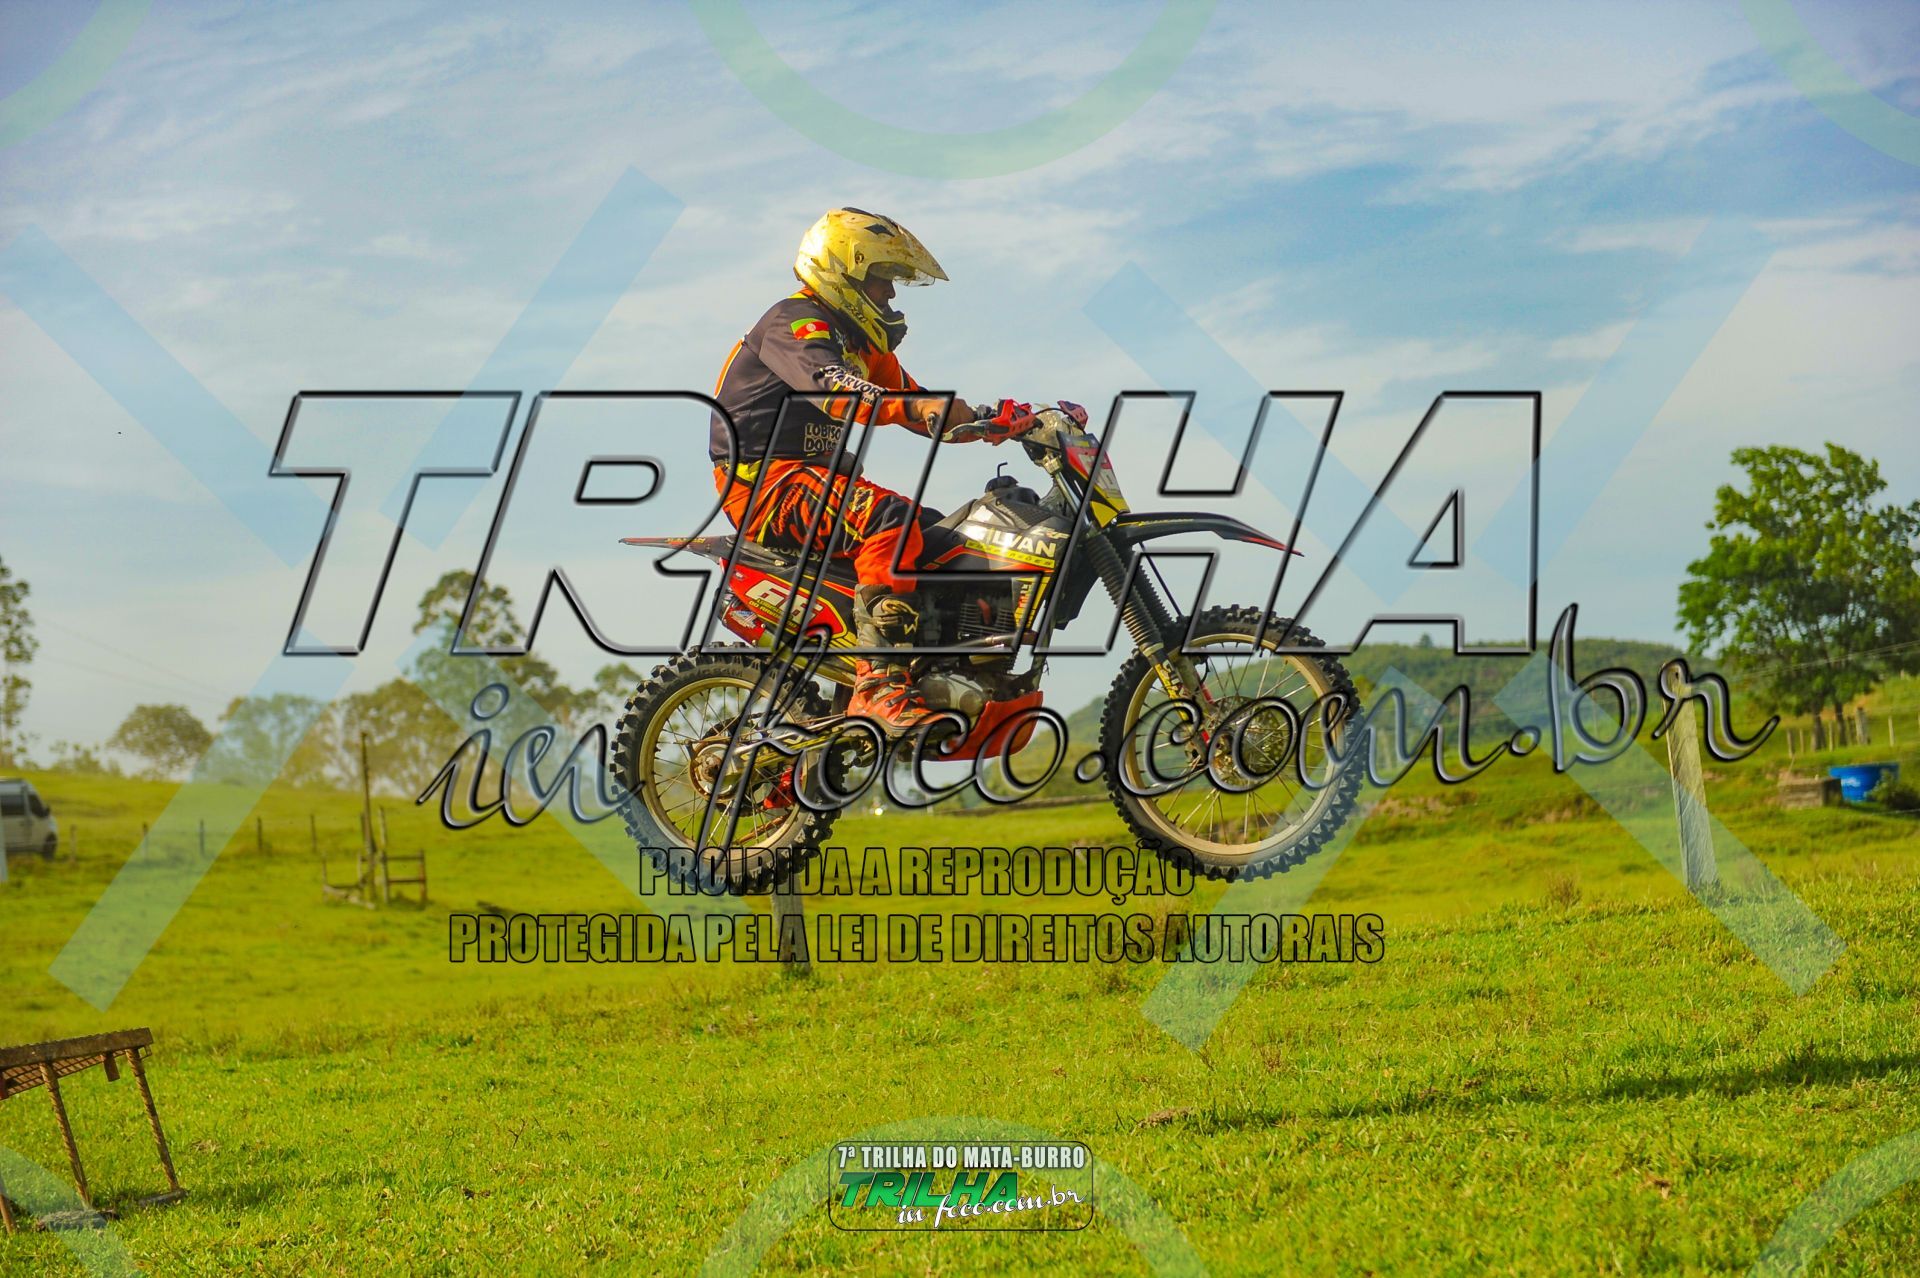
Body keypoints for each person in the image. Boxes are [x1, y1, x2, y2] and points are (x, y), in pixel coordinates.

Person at [710, 208, 1036, 731]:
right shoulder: (795, 322)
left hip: (820, 481)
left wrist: (993, 421)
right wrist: (919, 407)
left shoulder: (863, 346)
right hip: (765, 485)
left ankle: (941, 667)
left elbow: (915, 401)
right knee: (891, 520)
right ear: (843, 272)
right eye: (882, 278)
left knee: (943, 536)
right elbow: (833, 387)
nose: (890, 293)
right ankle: (877, 686)